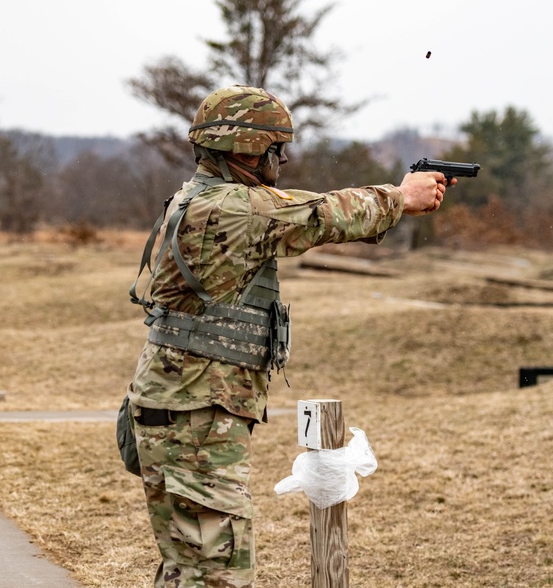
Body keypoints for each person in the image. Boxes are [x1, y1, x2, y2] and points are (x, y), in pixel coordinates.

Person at [126, 85, 450, 587]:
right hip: (194, 418)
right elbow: (322, 214)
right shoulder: (236, 209)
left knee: (188, 567)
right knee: (217, 574)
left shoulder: (197, 197)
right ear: (250, 153)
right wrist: (401, 197)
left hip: (180, 409)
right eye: (277, 151)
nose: (282, 162)